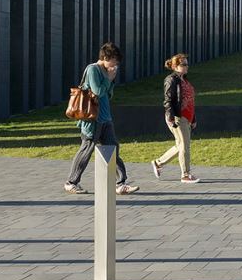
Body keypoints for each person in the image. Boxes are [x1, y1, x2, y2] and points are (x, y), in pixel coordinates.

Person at [65, 42, 139, 195]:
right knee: (86, 149)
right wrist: (109, 78)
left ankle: (121, 183)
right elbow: (97, 91)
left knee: (113, 149)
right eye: (114, 60)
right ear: (105, 57)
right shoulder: (93, 69)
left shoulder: (107, 72)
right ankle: (71, 182)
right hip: (92, 120)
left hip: (105, 118)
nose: (116, 64)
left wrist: (110, 80)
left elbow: (109, 94)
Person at [150, 53, 199, 183]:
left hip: (187, 117)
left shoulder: (185, 80)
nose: (187, 66)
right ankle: (185, 175)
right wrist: (171, 116)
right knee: (184, 145)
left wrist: (193, 118)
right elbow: (168, 100)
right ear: (175, 66)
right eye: (183, 64)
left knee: (181, 145)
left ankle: (158, 163)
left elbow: (190, 100)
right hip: (178, 117)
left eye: (187, 64)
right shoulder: (171, 79)